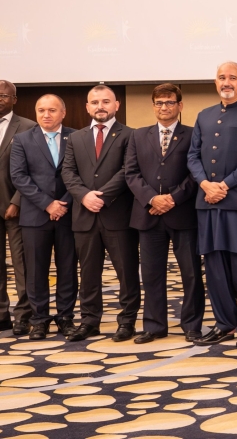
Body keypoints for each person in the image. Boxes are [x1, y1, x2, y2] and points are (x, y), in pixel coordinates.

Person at [187, 62, 237, 347]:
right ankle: (225, 323)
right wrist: (205, 184)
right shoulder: (204, 115)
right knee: (215, 268)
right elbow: (192, 157)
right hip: (207, 203)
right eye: (222, 77)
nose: (227, 82)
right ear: (215, 82)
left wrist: (224, 185)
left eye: (233, 77)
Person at [124, 83, 203, 343]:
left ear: (180, 106)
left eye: (170, 102)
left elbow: (196, 173)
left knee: (190, 273)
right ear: (153, 106)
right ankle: (154, 326)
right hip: (148, 215)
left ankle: (191, 324)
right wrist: (152, 199)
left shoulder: (193, 134)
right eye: (159, 103)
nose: (164, 107)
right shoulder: (138, 135)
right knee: (151, 274)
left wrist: (173, 198)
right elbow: (131, 174)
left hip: (183, 214)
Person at [62, 85, 138, 343]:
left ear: (117, 105)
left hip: (118, 216)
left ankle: (127, 321)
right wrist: (84, 196)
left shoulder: (130, 135)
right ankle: (89, 321)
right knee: (89, 274)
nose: (100, 106)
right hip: (84, 217)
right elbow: (68, 172)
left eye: (106, 101)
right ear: (87, 107)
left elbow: (128, 172)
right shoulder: (75, 138)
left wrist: (101, 197)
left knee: (126, 273)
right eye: (94, 102)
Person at [9, 95, 77, 340]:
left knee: (67, 268)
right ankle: (39, 320)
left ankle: (66, 318)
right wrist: (47, 204)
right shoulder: (22, 140)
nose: (46, 115)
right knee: (36, 271)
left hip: (68, 215)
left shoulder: (76, 137)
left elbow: (81, 175)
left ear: (63, 112)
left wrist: (63, 203)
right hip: (35, 215)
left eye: (52, 110)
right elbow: (19, 177)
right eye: (41, 110)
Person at [0, 81, 35, 336]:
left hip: (17, 208)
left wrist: (17, 201)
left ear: (14, 99)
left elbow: (34, 171)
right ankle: (1, 315)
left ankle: (25, 315)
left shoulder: (27, 127)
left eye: (3, 95)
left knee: (22, 264)